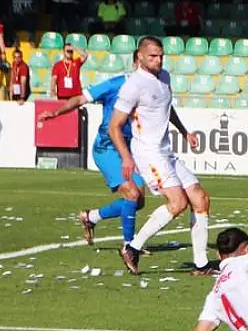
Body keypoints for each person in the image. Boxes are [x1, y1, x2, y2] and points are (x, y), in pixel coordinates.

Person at [38, 52, 168, 248]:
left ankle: (91, 217)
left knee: (138, 201)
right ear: (136, 63)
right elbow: (80, 99)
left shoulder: (153, 88)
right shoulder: (115, 84)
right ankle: (130, 247)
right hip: (106, 148)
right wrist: (56, 112)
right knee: (132, 195)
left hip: (128, 148)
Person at [110, 36, 216, 275]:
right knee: (178, 202)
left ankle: (201, 264)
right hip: (147, 152)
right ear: (140, 56)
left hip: (165, 150)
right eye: (152, 56)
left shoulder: (164, 76)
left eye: (161, 56)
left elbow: (166, 107)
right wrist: (126, 157)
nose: (158, 60)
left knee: (201, 199)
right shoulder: (133, 85)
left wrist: (184, 131)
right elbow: (114, 125)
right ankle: (133, 248)